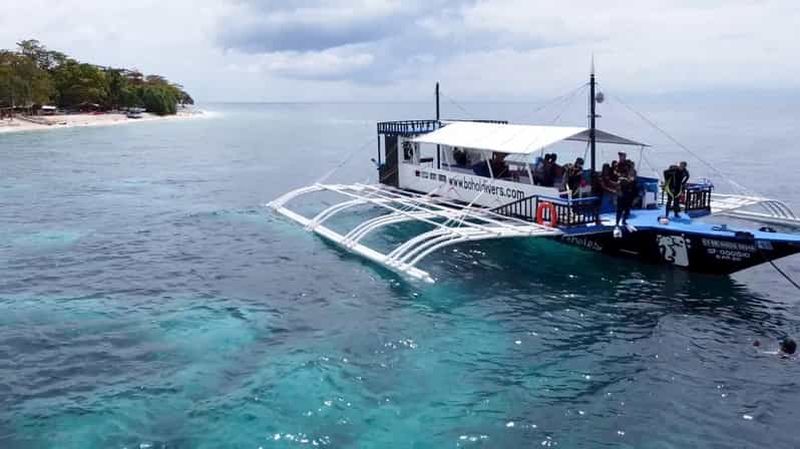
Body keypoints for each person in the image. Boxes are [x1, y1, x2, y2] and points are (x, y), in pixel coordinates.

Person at [615, 158, 637, 226]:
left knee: (627, 210)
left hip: (629, 194)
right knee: (619, 210)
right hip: (622, 194)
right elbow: (619, 182)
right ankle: (617, 223)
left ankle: (624, 221)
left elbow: (633, 183)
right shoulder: (622, 173)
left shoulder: (633, 173)